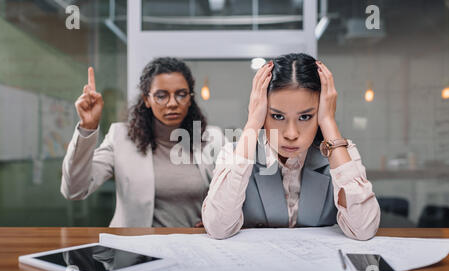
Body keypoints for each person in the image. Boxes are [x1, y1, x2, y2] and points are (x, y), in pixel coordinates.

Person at [202, 53, 380, 240]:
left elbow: (363, 230)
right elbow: (218, 229)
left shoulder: (341, 154)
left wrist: (328, 122)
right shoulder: (234, 153)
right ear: (262, 111)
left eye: (305, 117)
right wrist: (253, 123)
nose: (291, 134)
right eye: (277, 116)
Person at [61, 57, 225, 227]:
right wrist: (87, 127)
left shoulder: (213, 139)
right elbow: (74, 190)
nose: (172, 103)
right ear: (146, 99)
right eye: (161, 96)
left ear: (190, 99)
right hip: (134, 248)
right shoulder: (121, 137)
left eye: (181, 94)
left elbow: (234, 197)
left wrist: (220, 220)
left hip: (193, 247)